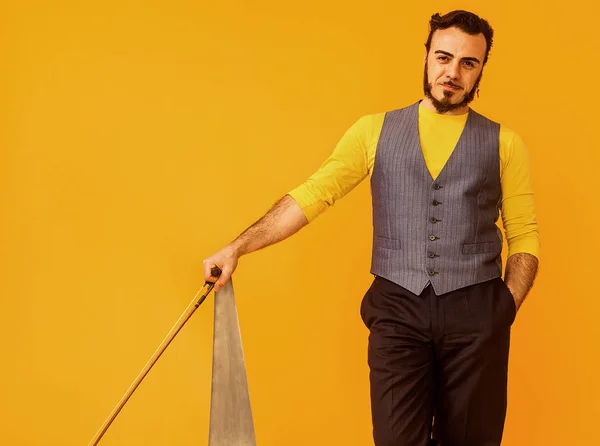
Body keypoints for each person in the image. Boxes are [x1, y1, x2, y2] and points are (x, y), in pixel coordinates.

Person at [203, 9, 540, 446]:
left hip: (477, 313)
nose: (452, 72)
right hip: (398, 310)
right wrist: (237, 247)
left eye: (467, 63)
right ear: (426, 57)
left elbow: (525, 233)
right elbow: (312, 195)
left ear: (480, 72)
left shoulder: (504, 143)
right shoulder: (373, 131)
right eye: (443, 57)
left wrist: (503, 310)